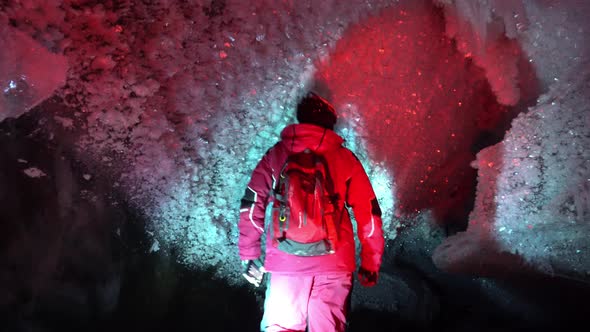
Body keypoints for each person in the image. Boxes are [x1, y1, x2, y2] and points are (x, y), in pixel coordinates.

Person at [238, 91, 385, 332]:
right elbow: (368, 213)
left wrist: (249, 253)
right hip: (334, 264)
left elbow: (252, 203)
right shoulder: (344, 158)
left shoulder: (276, 155)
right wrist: (371, 262)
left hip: (286, 263)